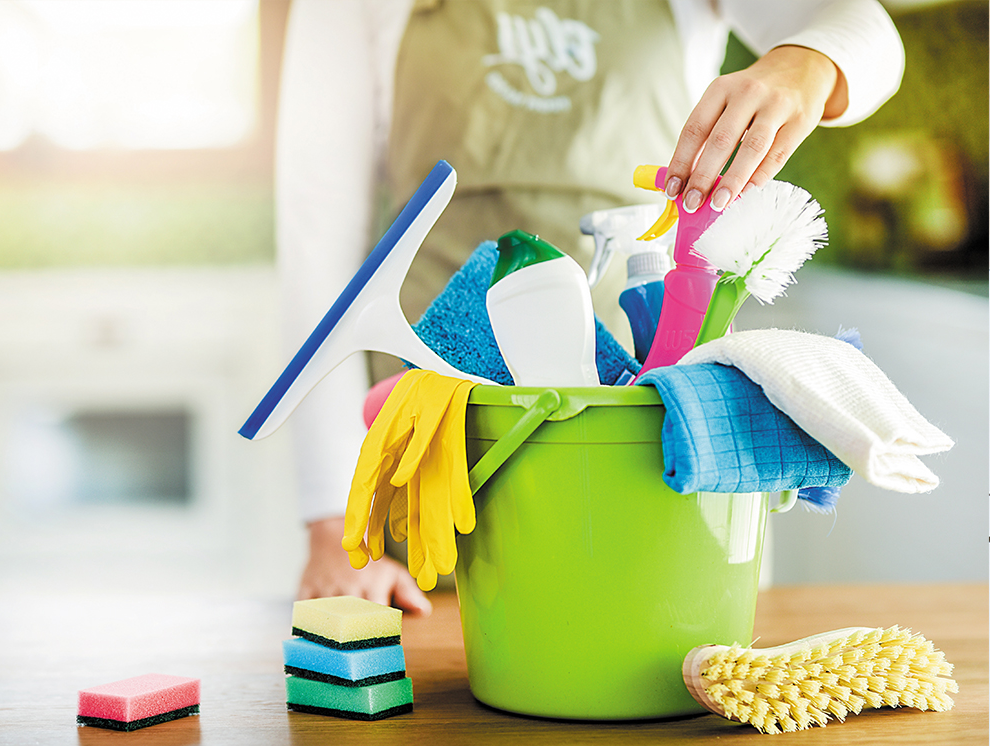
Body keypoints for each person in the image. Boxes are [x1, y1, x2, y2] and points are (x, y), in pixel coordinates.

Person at [276, 0, 904, 614]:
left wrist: (805, 64)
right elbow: (319, 234)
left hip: (653, 415)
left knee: (667, 624)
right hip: (443, 432)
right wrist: (333, 527)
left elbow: (865, 31)